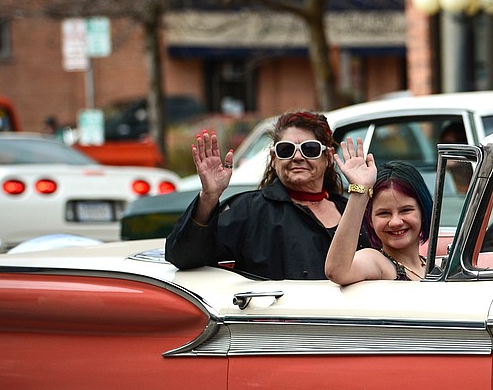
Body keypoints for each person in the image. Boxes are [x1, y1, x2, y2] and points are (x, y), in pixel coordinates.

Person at [166, 110, 351, 280]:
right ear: (273, 157)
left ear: (328, 157)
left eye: (310, 149)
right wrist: (208, 197)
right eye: (286, 150)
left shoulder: (351, 211)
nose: (297, 157)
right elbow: (183, 256)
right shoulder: (248, 211)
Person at [325, 138, 433, 284]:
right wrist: (360, 192)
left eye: (406, 210)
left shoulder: (436, 266)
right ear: (370, 219)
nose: (395, 222)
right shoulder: (377, 263)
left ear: (423, 212)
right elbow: (337, 271)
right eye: (384, 213)